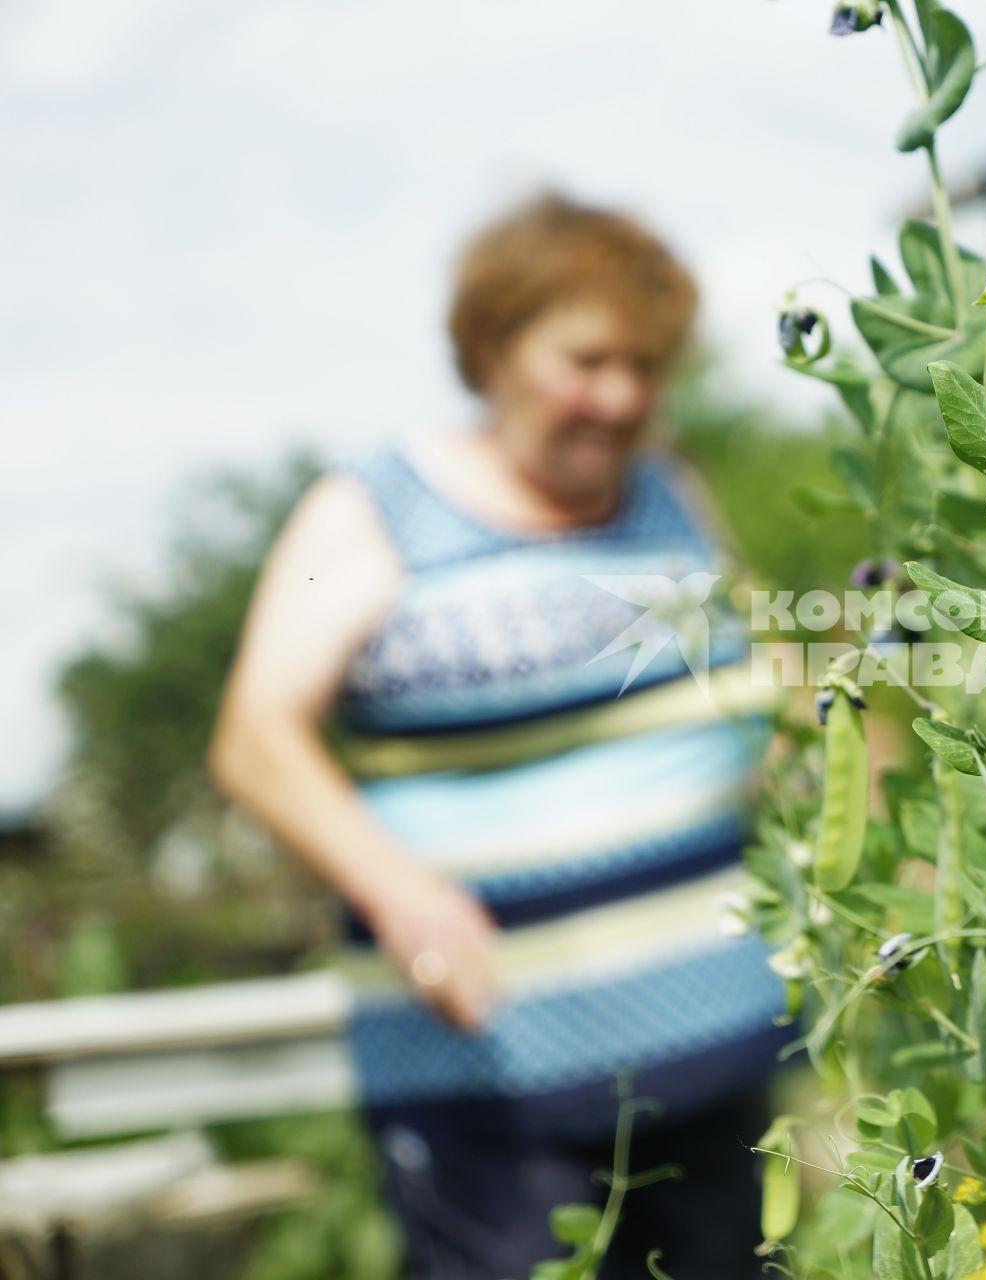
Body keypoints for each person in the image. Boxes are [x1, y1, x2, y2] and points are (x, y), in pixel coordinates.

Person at [208, 192, 786, 1280]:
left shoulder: (670, 492)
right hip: (492, 1086)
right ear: (491, 345)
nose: (619, 396)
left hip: (720, 1064)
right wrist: (397, 888)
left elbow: (774, 694)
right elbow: (254, 738)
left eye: (646, 366)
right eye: (586, 358)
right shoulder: (375, 508)